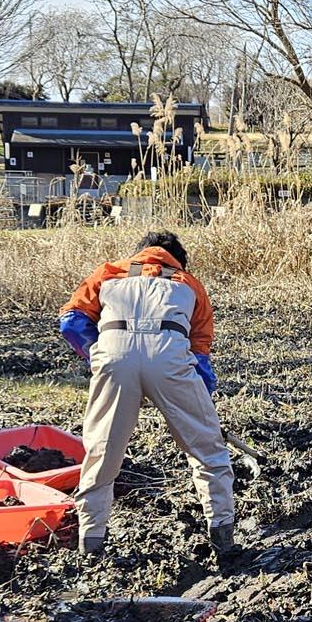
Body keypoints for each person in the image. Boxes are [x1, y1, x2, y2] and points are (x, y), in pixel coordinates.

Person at [57, 230, 236, 556]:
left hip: (114, 356)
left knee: (102, 453)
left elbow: (70, 323)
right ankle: (223, 538)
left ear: (139, 254)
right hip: (170, 358)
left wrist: (98, 355)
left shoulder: (109, 272)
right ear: (177, 260)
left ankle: (91, 541)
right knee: (208, 452)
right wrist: (199, 404)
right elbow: (200, 355)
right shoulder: (189, 283)